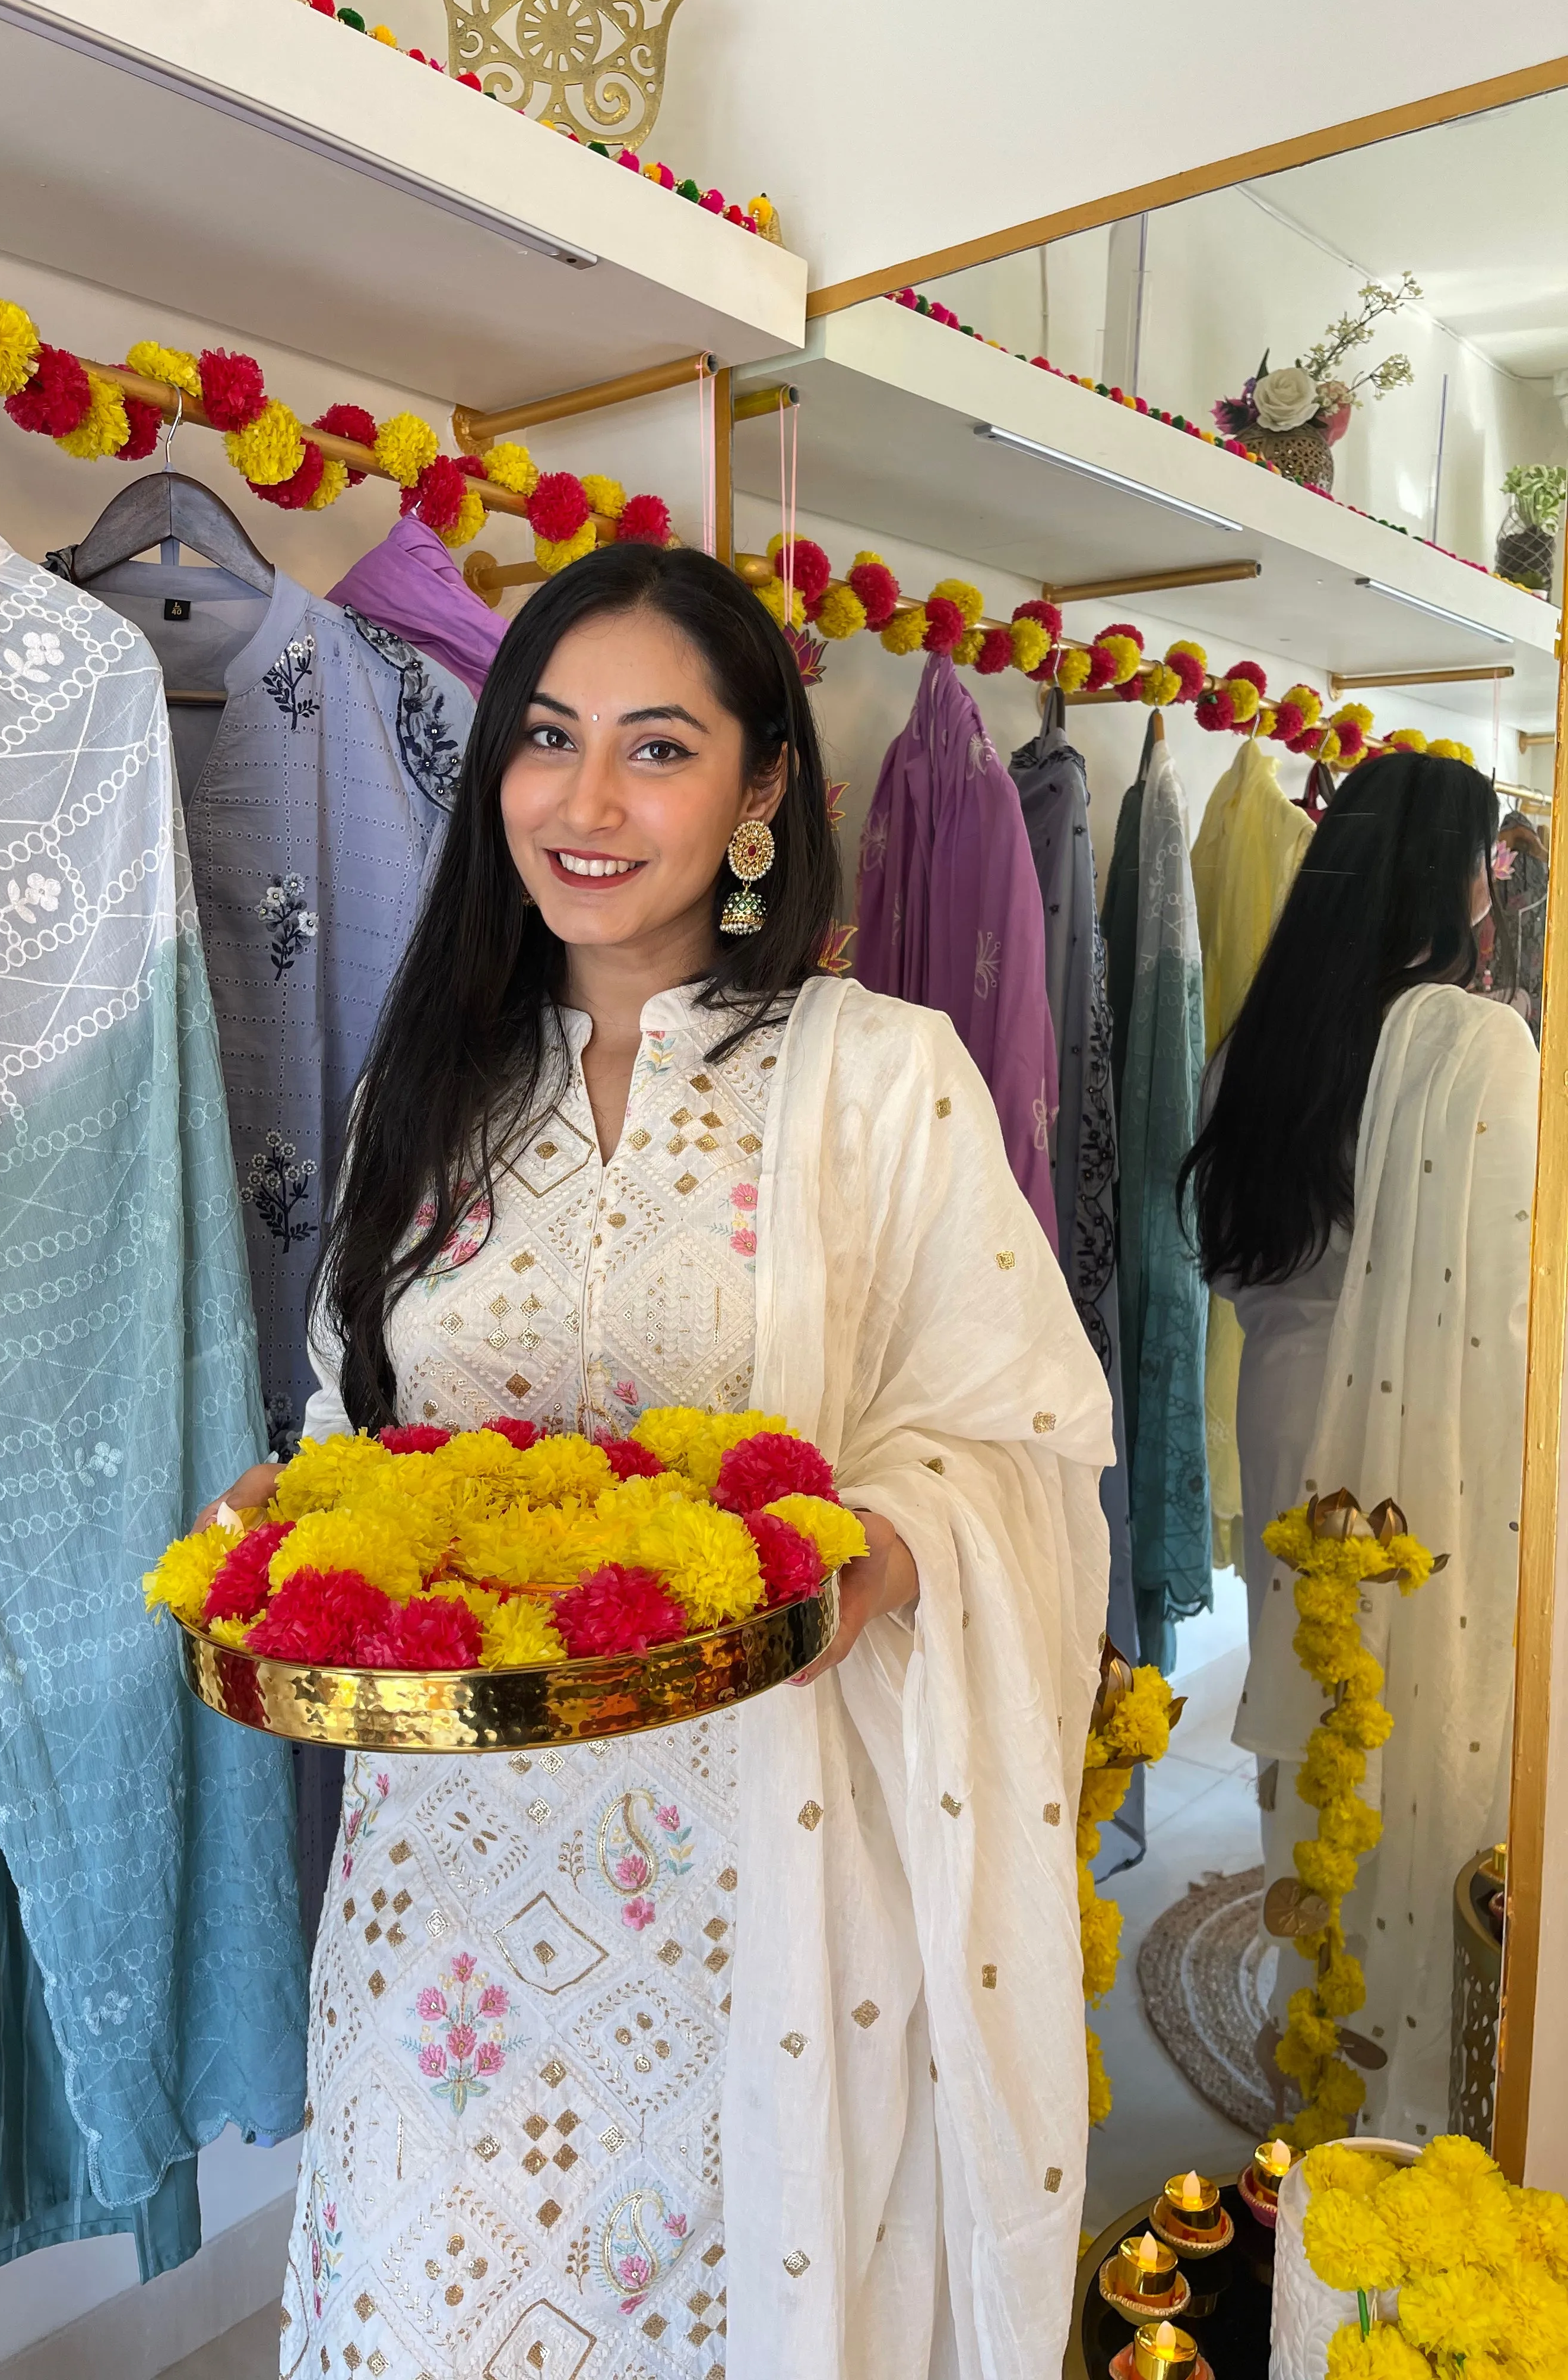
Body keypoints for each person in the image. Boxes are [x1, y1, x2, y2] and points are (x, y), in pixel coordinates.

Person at [201, 545, 1113, 2380]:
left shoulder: (881, 1079)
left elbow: (1021, 1437)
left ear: (762, 788)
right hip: (442, 1893)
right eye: (547, 740)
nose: (588, 803)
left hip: (750, 1883)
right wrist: (283, 1521)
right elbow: (349, 1425)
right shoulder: (431, 1091)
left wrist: (884, 1548)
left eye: (660, 748)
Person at [1180, 750, 1538, 2142]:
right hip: (1426, 1432)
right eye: (1480, 863)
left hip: (1285, 1404)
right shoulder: (1466, 1041)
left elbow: (1230, 1261)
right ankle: (1414, 2032)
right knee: (1418, 1706)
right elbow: (1511, 1297)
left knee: (1314, 1701)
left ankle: (1317, 1989)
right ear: (1446, 875)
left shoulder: (1266, 1036)